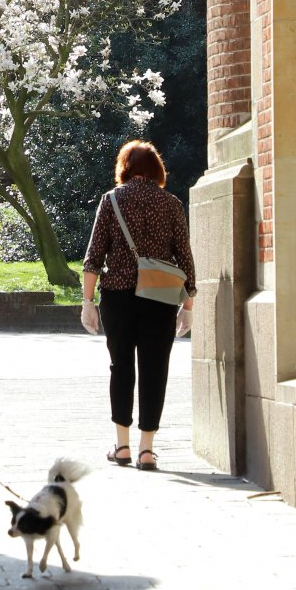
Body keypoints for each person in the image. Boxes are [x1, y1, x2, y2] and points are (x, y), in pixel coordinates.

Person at [80, 139, 196, 471]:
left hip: (117, 296)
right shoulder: (171, 204)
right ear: (157, 170)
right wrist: (187, 307)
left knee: (121, 367)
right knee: (154, 369)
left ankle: (123, 445)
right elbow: (185, 260)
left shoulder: (111, 200)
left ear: (125, 169)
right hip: (159, 298)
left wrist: (87, 302)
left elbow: (93, 258)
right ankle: (147, 450)